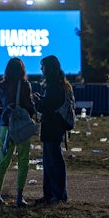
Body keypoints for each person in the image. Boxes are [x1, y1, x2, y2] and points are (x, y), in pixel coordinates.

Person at [0, 57, 36, 207]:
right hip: (21, 126)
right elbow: (29, 107)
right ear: (22, 70)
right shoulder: (25, 85)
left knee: (3, 161)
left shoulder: (1, 86)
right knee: (23, 160)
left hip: (5, 126)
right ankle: (19, 196)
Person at [37, 54, 72, 204]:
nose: (41, 69)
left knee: (53, 162)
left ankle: (57, 195)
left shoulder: (53, 86)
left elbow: (48, 107)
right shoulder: (59, 84)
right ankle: (51, 194)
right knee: (50, 161)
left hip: (52, 127)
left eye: (43, 66)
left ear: (48, 68)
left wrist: (37, 102)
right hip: (56, 127)